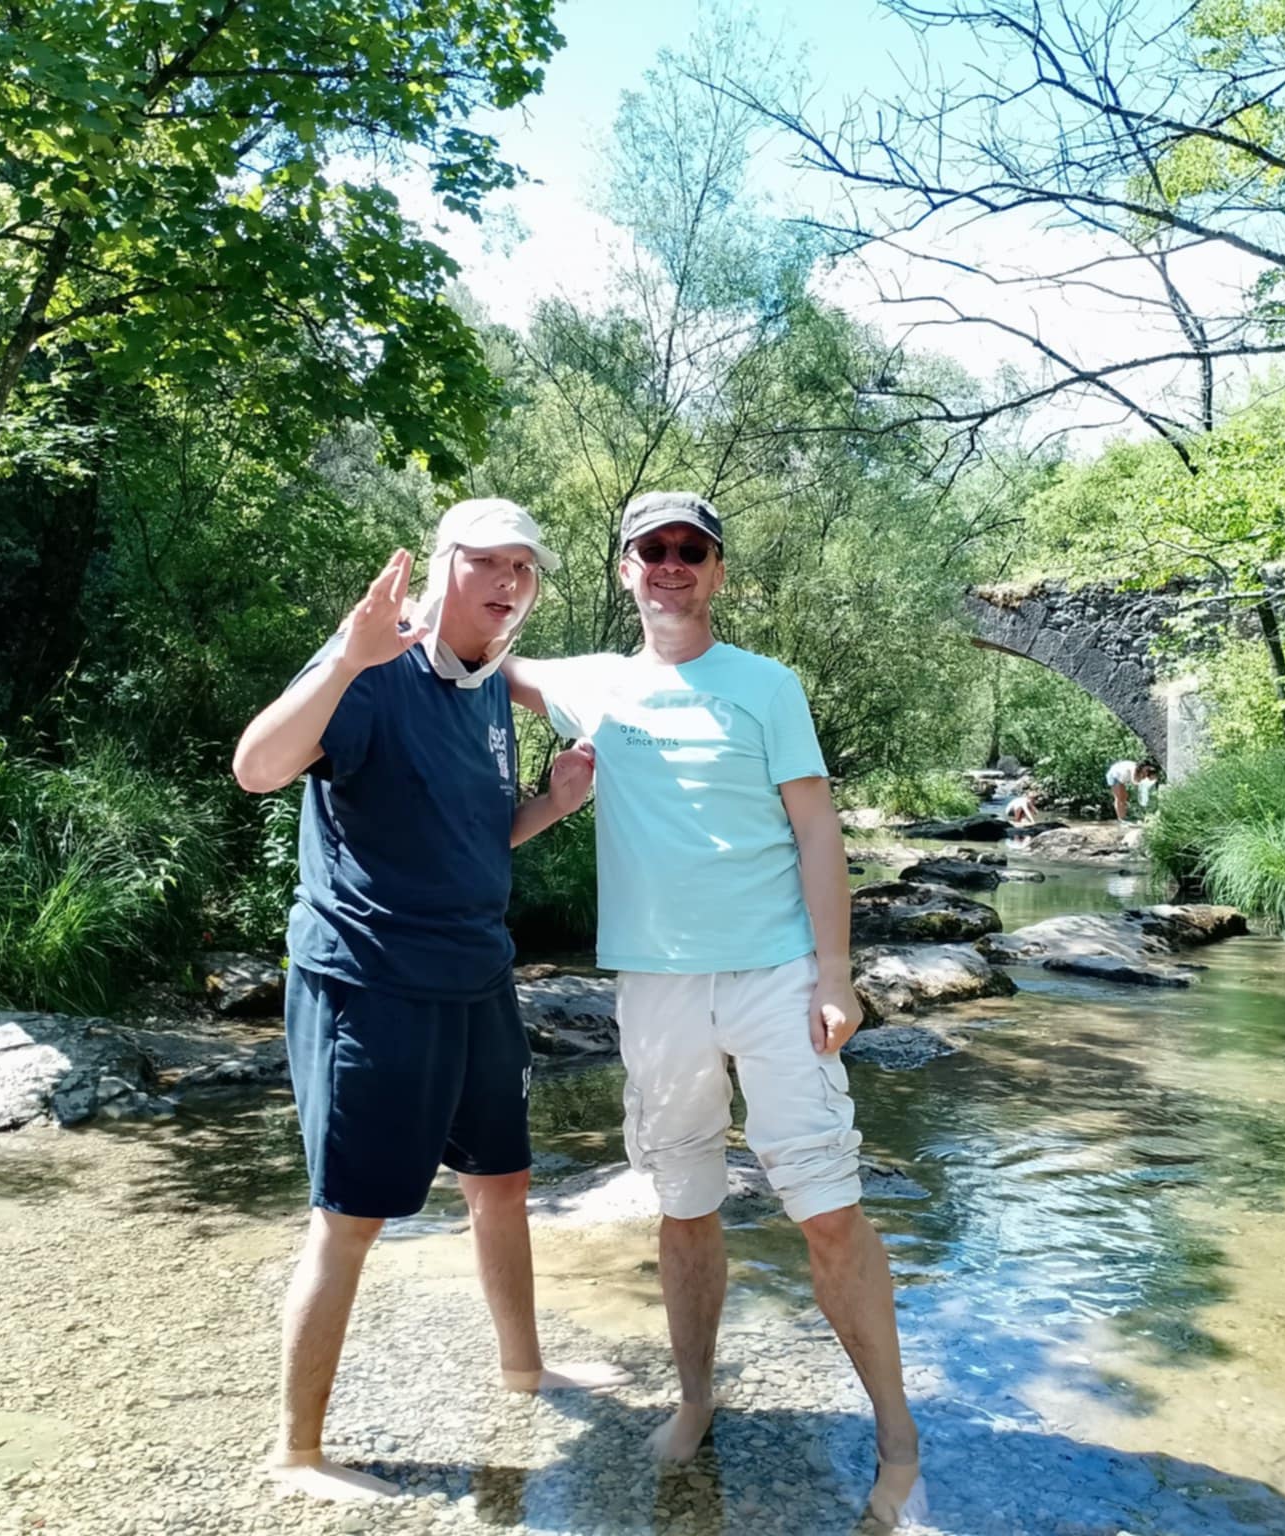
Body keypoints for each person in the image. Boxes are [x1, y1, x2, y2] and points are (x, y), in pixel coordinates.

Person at [503, 491, 925, 1528]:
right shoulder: (591, 685)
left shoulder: (765, 686)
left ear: (717, 571)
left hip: (775, 974)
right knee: (683, 1204)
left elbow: (817, 830)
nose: (670, 564)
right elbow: (476, 648)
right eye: (651, 549)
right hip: (654, 986)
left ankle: (897, 1436)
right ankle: (695, 1400)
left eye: (690, 550)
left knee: (826, 1209)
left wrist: (835, 973)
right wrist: (391, 626)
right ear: (624, 570)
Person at [232, 499, 624, 1504]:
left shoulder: (487, 685)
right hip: (371, 982)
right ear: (444, 565)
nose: (507, 582)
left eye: (523, 569)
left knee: (502, 1181)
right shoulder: (372, 665)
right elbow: (256, 769)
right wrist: (345, 657)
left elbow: (472, 836)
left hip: (476, 976)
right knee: (351, 1218)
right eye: (486, 562)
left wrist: (552, 806)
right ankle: (297, 1452)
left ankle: (524, 1368)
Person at [1106, 757, 1162, 822]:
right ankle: (1121, 819)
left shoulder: (1142, 772)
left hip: (1120, 779)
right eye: (1146, 769)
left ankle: (1123, 818)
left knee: (1124, 797)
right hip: (1113, 775)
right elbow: (1134, 781)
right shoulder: (1134, 768)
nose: (1147, 771)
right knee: (1119, 798)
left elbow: (1147, 780)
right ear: (1142, 766)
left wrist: (1148, 777)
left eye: (1148, 770)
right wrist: (1143, 778)